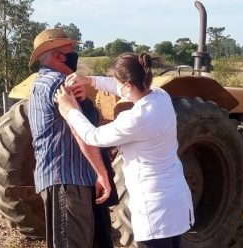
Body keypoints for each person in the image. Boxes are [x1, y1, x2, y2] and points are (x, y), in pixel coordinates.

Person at [54, 52, 195, 248]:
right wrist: (90, 80)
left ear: (128, 85)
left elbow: (93, 136)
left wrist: (70, 110)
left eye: (119, 83)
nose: (117, 86)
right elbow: (120, 88)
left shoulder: (136, 119)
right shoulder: (161, 97)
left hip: (154, 208)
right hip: (175, 201)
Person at [28, 28, 116, 248]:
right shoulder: (60, 84)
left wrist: (85, 102)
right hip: (69, 180)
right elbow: (80, 131)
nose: (74, 54)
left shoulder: (41, 83)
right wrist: (101, 173)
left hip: (62, 179)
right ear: (58, 56)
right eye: (71, 50)